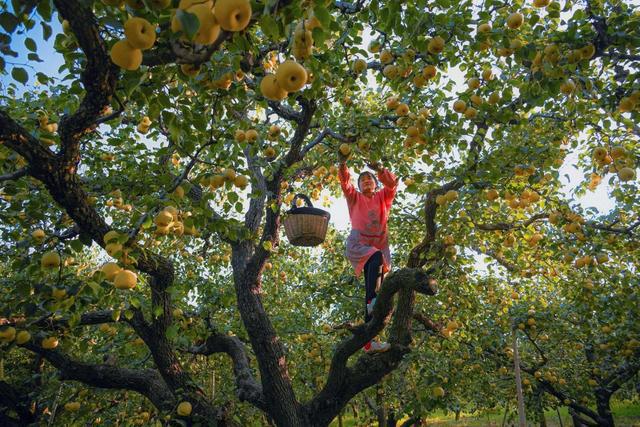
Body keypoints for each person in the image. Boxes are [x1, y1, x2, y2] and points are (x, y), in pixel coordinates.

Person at [338, 152, 399, 353]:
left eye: (369, 179)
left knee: (376, 290)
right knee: (375, 266)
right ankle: (372, 302)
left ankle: (369, 342)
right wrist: (343, 162)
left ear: (375, 183)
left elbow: (392, 184)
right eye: (362, 180)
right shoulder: (354, 197)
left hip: (380, 245)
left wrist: (379, 169)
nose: (366, 182)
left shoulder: (383, 196)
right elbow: (345, 183)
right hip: (360, 244)